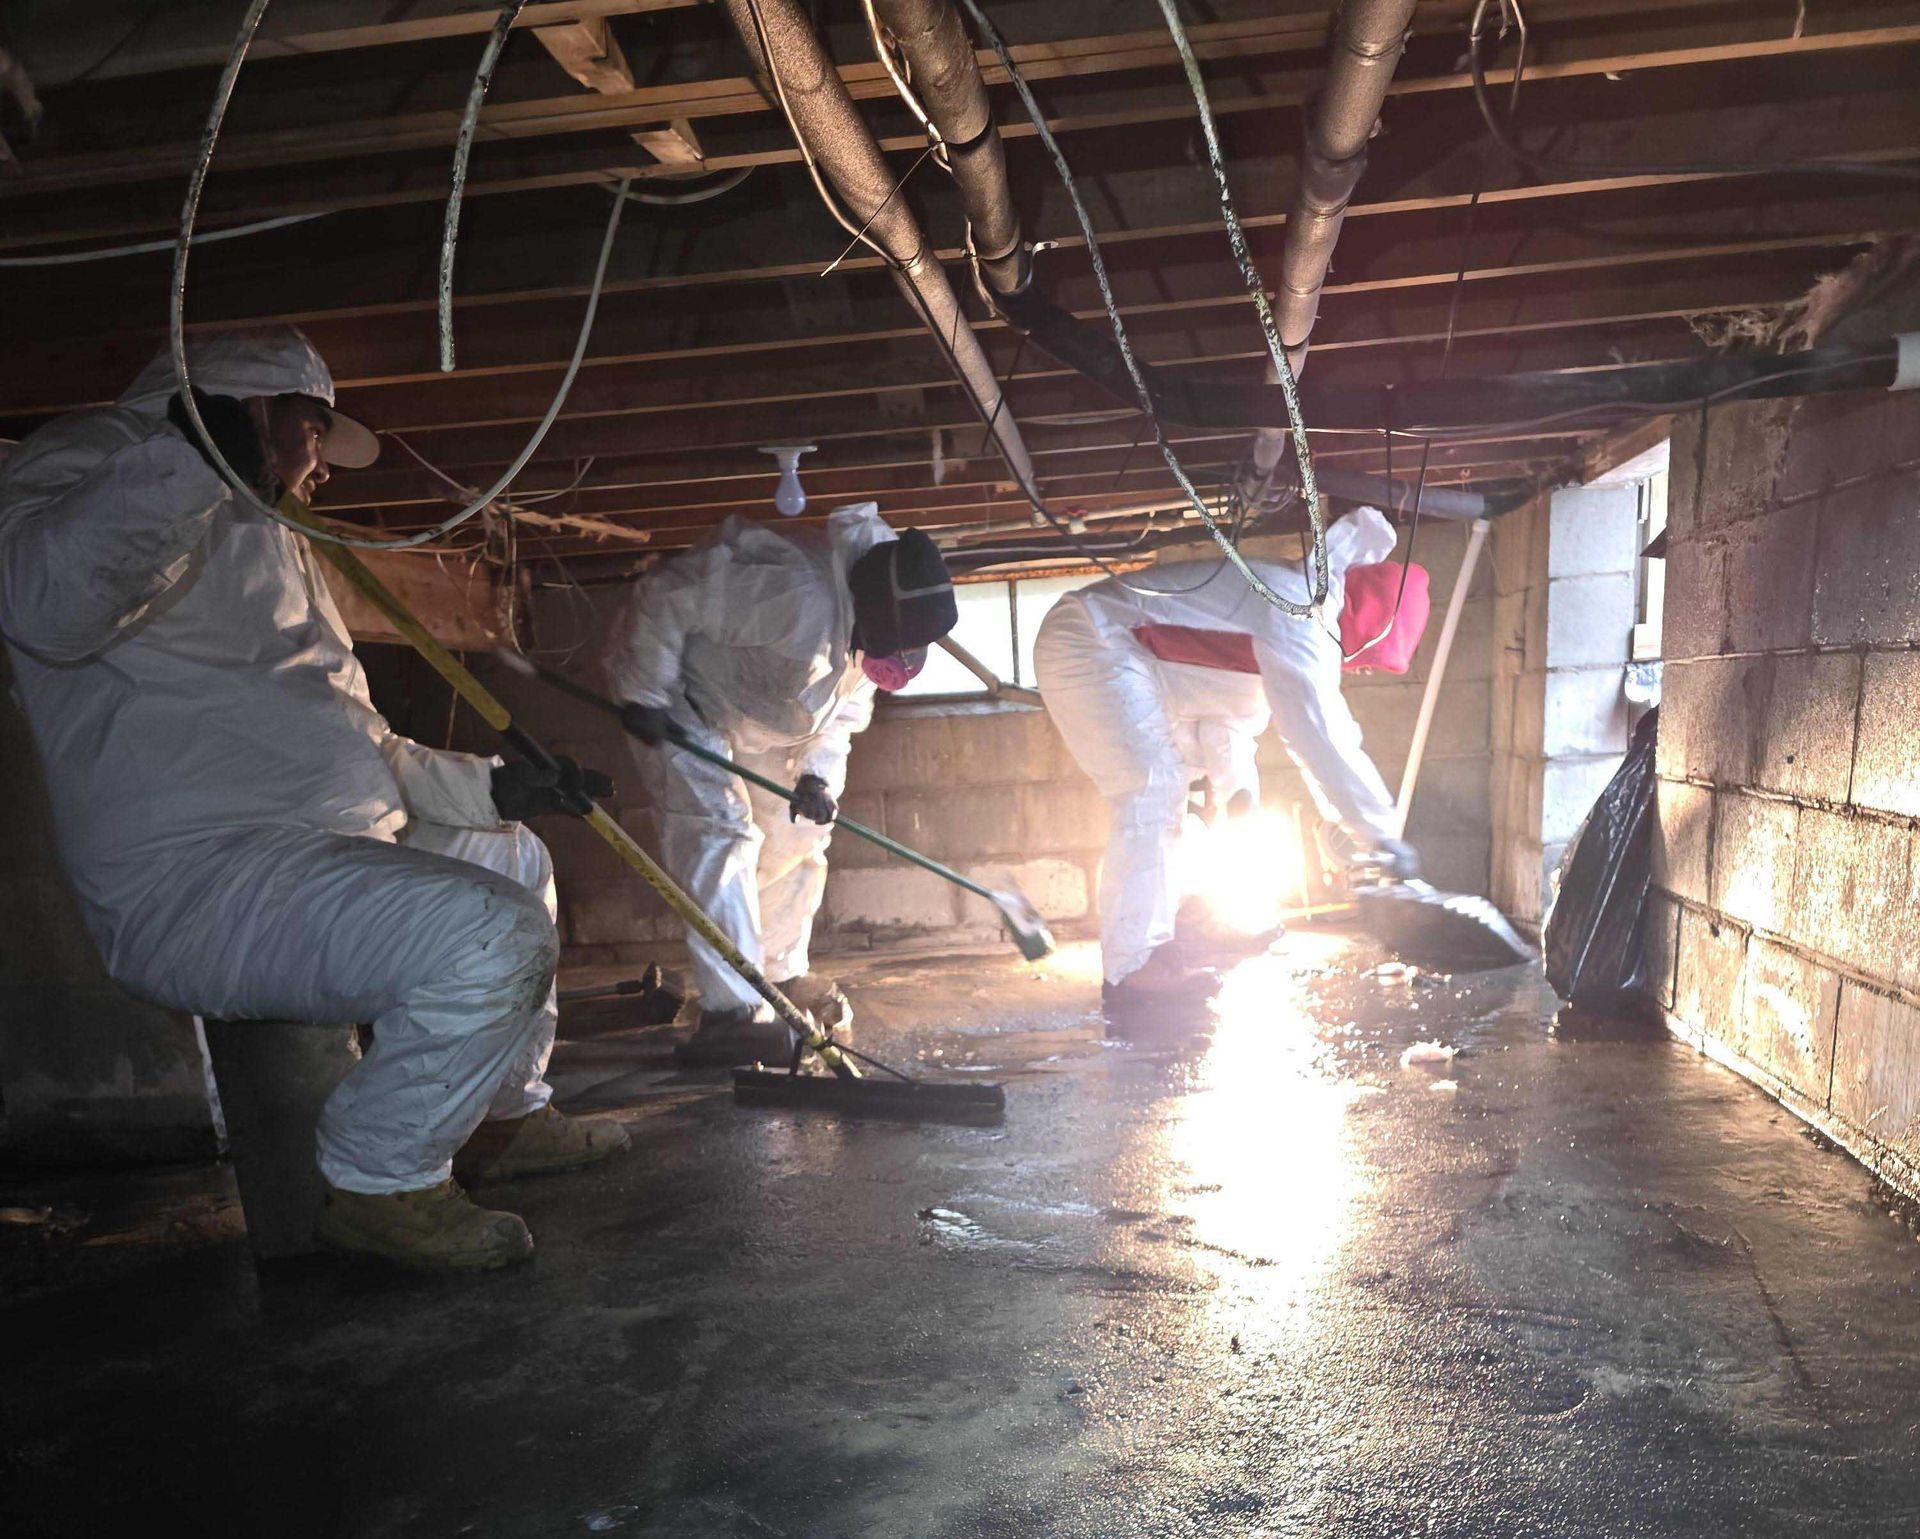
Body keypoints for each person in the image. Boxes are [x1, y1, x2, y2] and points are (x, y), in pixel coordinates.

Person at [0, 324, 629, 1272]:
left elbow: (351, 741)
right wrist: (200, 452)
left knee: (510, 854)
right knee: (491, 937)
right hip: (200, 877)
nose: (321, 474)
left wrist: (491, 786)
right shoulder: (94, 460)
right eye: (311, 438)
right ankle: (382, 1186)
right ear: (256, 412)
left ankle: (502, 1119)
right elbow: (41, 605)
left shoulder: (265, 530)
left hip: (304, 847)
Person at [602, 507, 957, 1064]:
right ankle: (732, 1012)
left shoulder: (872, 628)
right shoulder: (795, 593)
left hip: (764, 719)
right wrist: (645, 692)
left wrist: (816, 775)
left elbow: (843, 710)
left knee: (799, 835)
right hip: (684, 704)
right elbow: (666, 594)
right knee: (721, 834)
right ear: (875, 610)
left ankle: (780, 973)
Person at [1032, 508, 1419, 1019]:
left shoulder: (1297, 616)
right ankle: (1133, 969)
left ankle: (1186, 928)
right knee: (1152, 790)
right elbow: (1319, 735)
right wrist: (1380, 833)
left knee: (1183, 796)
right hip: (1091, 641)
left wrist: (1241, 803)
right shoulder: (1299, 616)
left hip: (1138, 662)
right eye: (1366, 662)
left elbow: (1227, 727)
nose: (1358, 670)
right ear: (1366, 633)